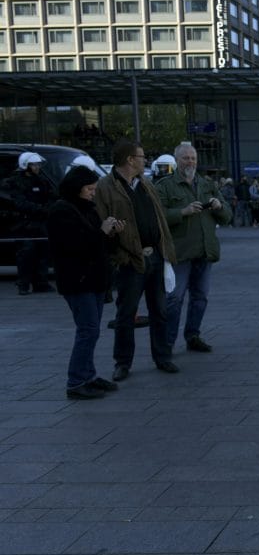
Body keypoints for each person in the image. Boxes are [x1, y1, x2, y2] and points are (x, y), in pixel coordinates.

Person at [94, 140, 179, 382]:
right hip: (130, 260)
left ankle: (162, 356)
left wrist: (165, 250)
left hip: (156, 257)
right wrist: (116, 244)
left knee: (159, 310)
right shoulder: (106, 186)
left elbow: (158, 218)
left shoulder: (145, 183)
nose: (145, 161)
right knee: (126, 313)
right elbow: (101, 222)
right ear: (130, 160)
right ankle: (122, 362)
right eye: (142, 157)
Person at [47, 166, 125, 399]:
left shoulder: (88, 209)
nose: (93, 193)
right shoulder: (62, 211)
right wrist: (102, 232)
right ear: (77, 188)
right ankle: (76, 381)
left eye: (94, 188)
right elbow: (75, 246)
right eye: (90, 189)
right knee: (87, 330)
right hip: (78, 280)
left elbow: (101, 247)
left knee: (91, 330)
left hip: (94, 279)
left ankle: (88, 375)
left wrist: (112, 233)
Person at [156, 142, 233, 353]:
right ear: (176, 161)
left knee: (200, 297)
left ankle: (193, 335)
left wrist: (219, 206)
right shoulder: (165, 186)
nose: (190, 162)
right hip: (180, 253)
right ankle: (167, 343)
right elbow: (157, 216)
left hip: (204, 252)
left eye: (193, 158)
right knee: (174, 299)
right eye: (185, 158)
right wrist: (183, 212)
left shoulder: (207, 184)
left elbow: (227, 216)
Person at [5, 152, 56, 295]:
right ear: (25, 165)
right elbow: (19, 202)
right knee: (26, 254)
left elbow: (52, 196)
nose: (37, 167)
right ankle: (23, 284)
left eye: (38, 164)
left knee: (43, 252)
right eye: (34, 164)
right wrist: (40, 209)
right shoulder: (15, 182)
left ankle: (41, 283)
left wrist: (48, 208)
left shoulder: (42, 181)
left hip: (41, 222)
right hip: (24, 224)